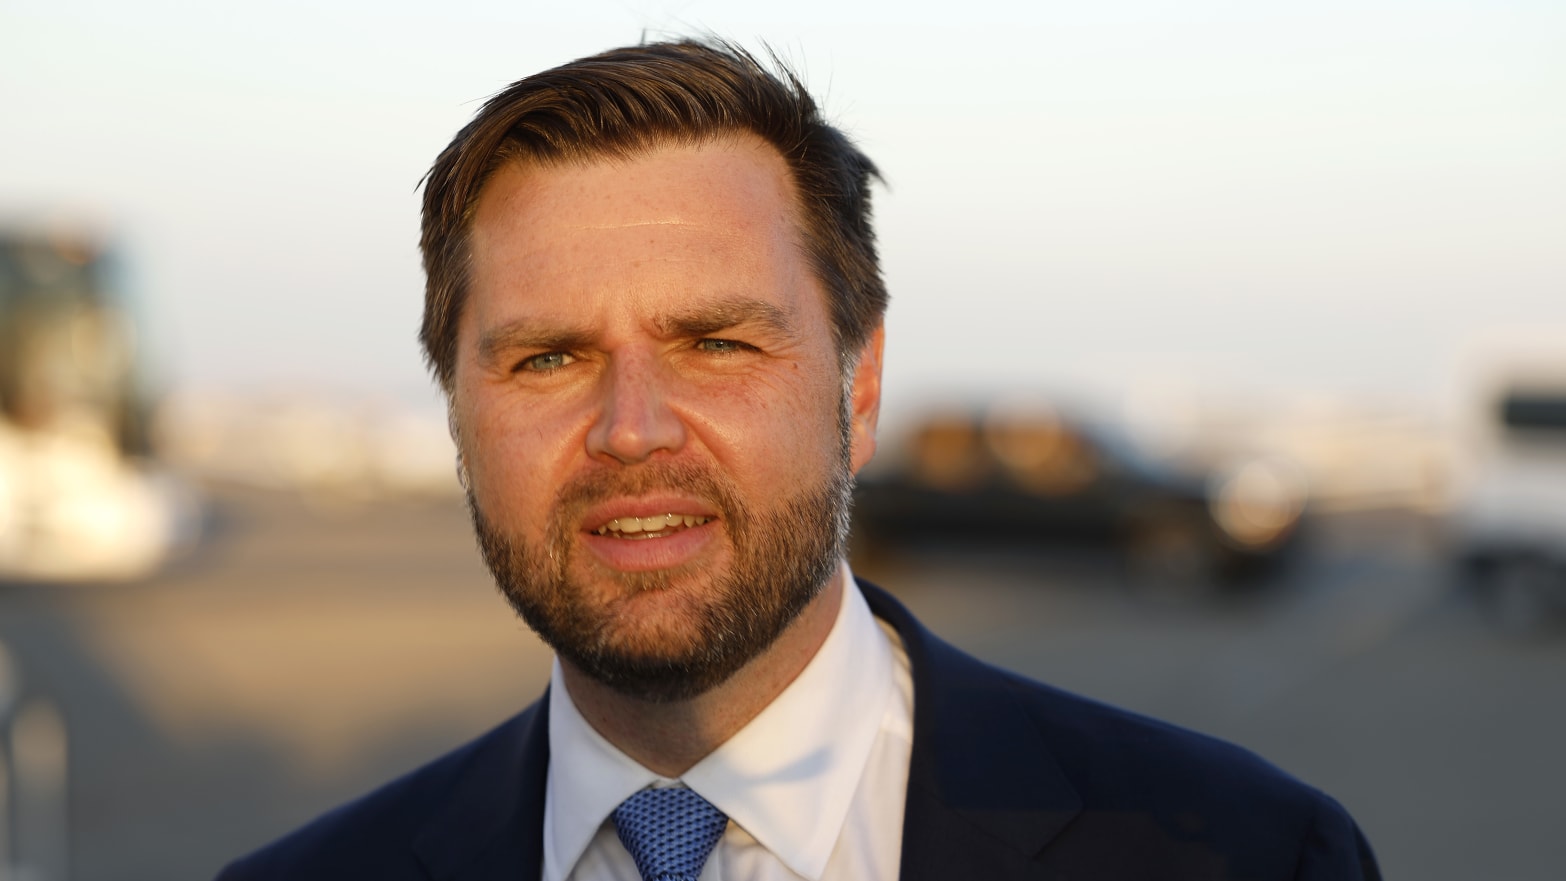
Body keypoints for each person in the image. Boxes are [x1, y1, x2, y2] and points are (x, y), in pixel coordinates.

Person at [216, 39, 1380, 881]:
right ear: (457, 415)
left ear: (858, 389)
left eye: (716, 343)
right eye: (549, 357)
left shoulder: (1243, 854)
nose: (633, 427)